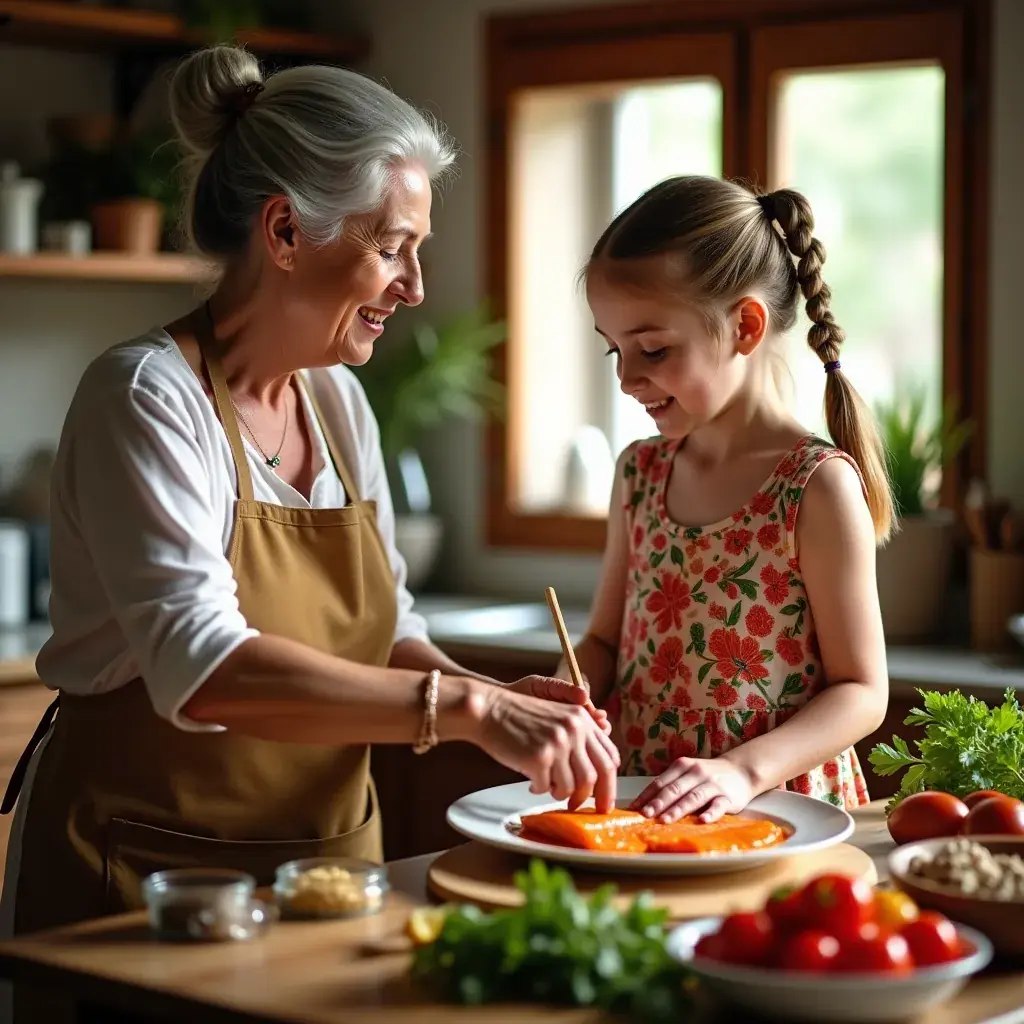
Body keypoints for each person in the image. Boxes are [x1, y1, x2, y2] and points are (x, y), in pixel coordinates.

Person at [0, 44, 618, 963]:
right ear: (285, 232)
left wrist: (491, 697)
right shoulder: (147, 399)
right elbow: (203, 670)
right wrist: (467, 710)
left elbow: (386, 624)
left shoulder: (337, 401)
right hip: (140, 885)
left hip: (327, 877)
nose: (413, 287)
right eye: (393, 247)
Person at [559, 175, 889, 824]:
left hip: (778, 814)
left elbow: (863, 693)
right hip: (644, 802)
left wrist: (742, 771)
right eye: (615, 350)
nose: (627, 377)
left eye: (652, 348)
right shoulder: (638, 474)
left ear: (744, 325)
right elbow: (602, 639)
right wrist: (571, 689)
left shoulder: (815, 486)